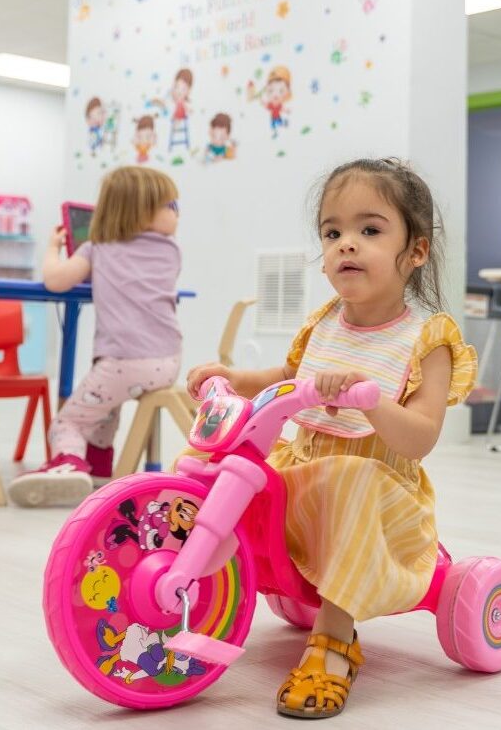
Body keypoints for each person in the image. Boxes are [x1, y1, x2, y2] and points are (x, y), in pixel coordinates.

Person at [185, 158, 476, 718]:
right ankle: (195, 586)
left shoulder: (426, 339)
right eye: (332, 231)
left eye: (369, 230)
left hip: (379, 490)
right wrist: (232, 377)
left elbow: (419, 438)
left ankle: (336, 641)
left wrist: (374, 399)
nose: (347, 244)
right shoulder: (323, 323)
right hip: (307, 470)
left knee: (351, 477)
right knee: (208, 463)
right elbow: (286, 380)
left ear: (415, 251)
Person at [9, 166, 182, 507]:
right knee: (106, 408)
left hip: (124, 363)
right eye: (171, 205)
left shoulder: (97, 249)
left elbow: (55, 281)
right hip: (168, 362)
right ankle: (100, 467)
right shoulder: (170, 251)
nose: (177, 214)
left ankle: (68, 462)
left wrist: (52, 248)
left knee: (67, 421)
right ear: (141, 211)